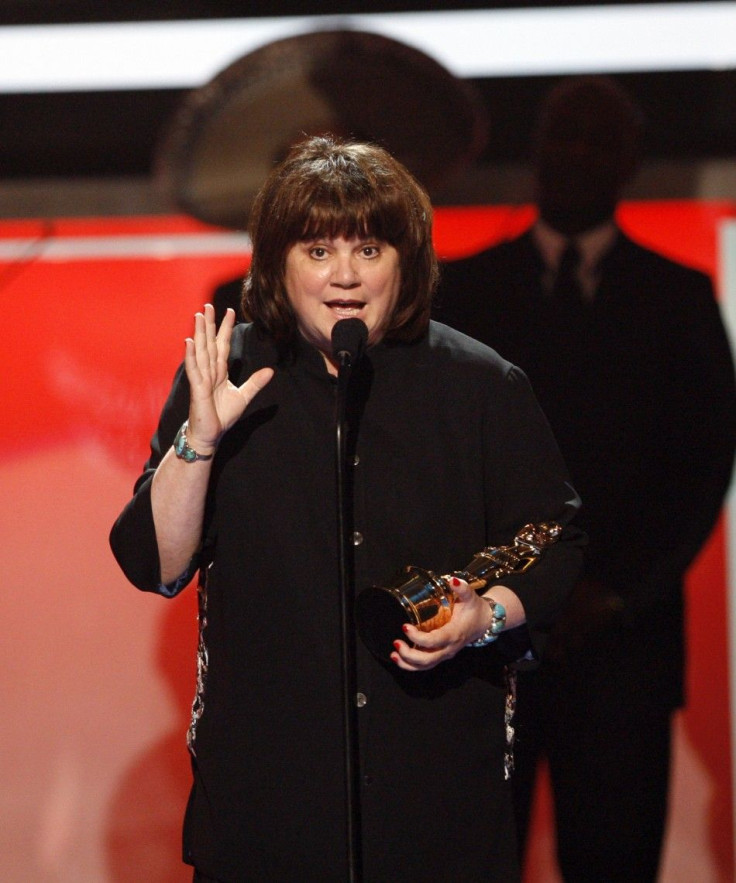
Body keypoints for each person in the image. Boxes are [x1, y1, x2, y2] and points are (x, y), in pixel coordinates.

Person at [110, 135, 585, 882]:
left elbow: (556, 537)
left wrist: (484, 615)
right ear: (277, 263)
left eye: (368, 250)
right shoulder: (229, 380)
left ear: (407, 260)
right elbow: (155, 563)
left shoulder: (480, 384)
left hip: (435, 804)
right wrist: (197, 440)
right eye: (318, 250)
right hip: (268, 811)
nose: (344, 277)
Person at [435, 76, 736, 881]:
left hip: (622, 656)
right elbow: (436, 461)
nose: (575, 156)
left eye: (597, 140)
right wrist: (496, 593)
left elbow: (702, 466)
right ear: (533, 153)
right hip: (483, 649)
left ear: (631, 161)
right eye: (562, 137)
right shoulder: (462, 292)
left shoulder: (679, 298)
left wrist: (611, 591)